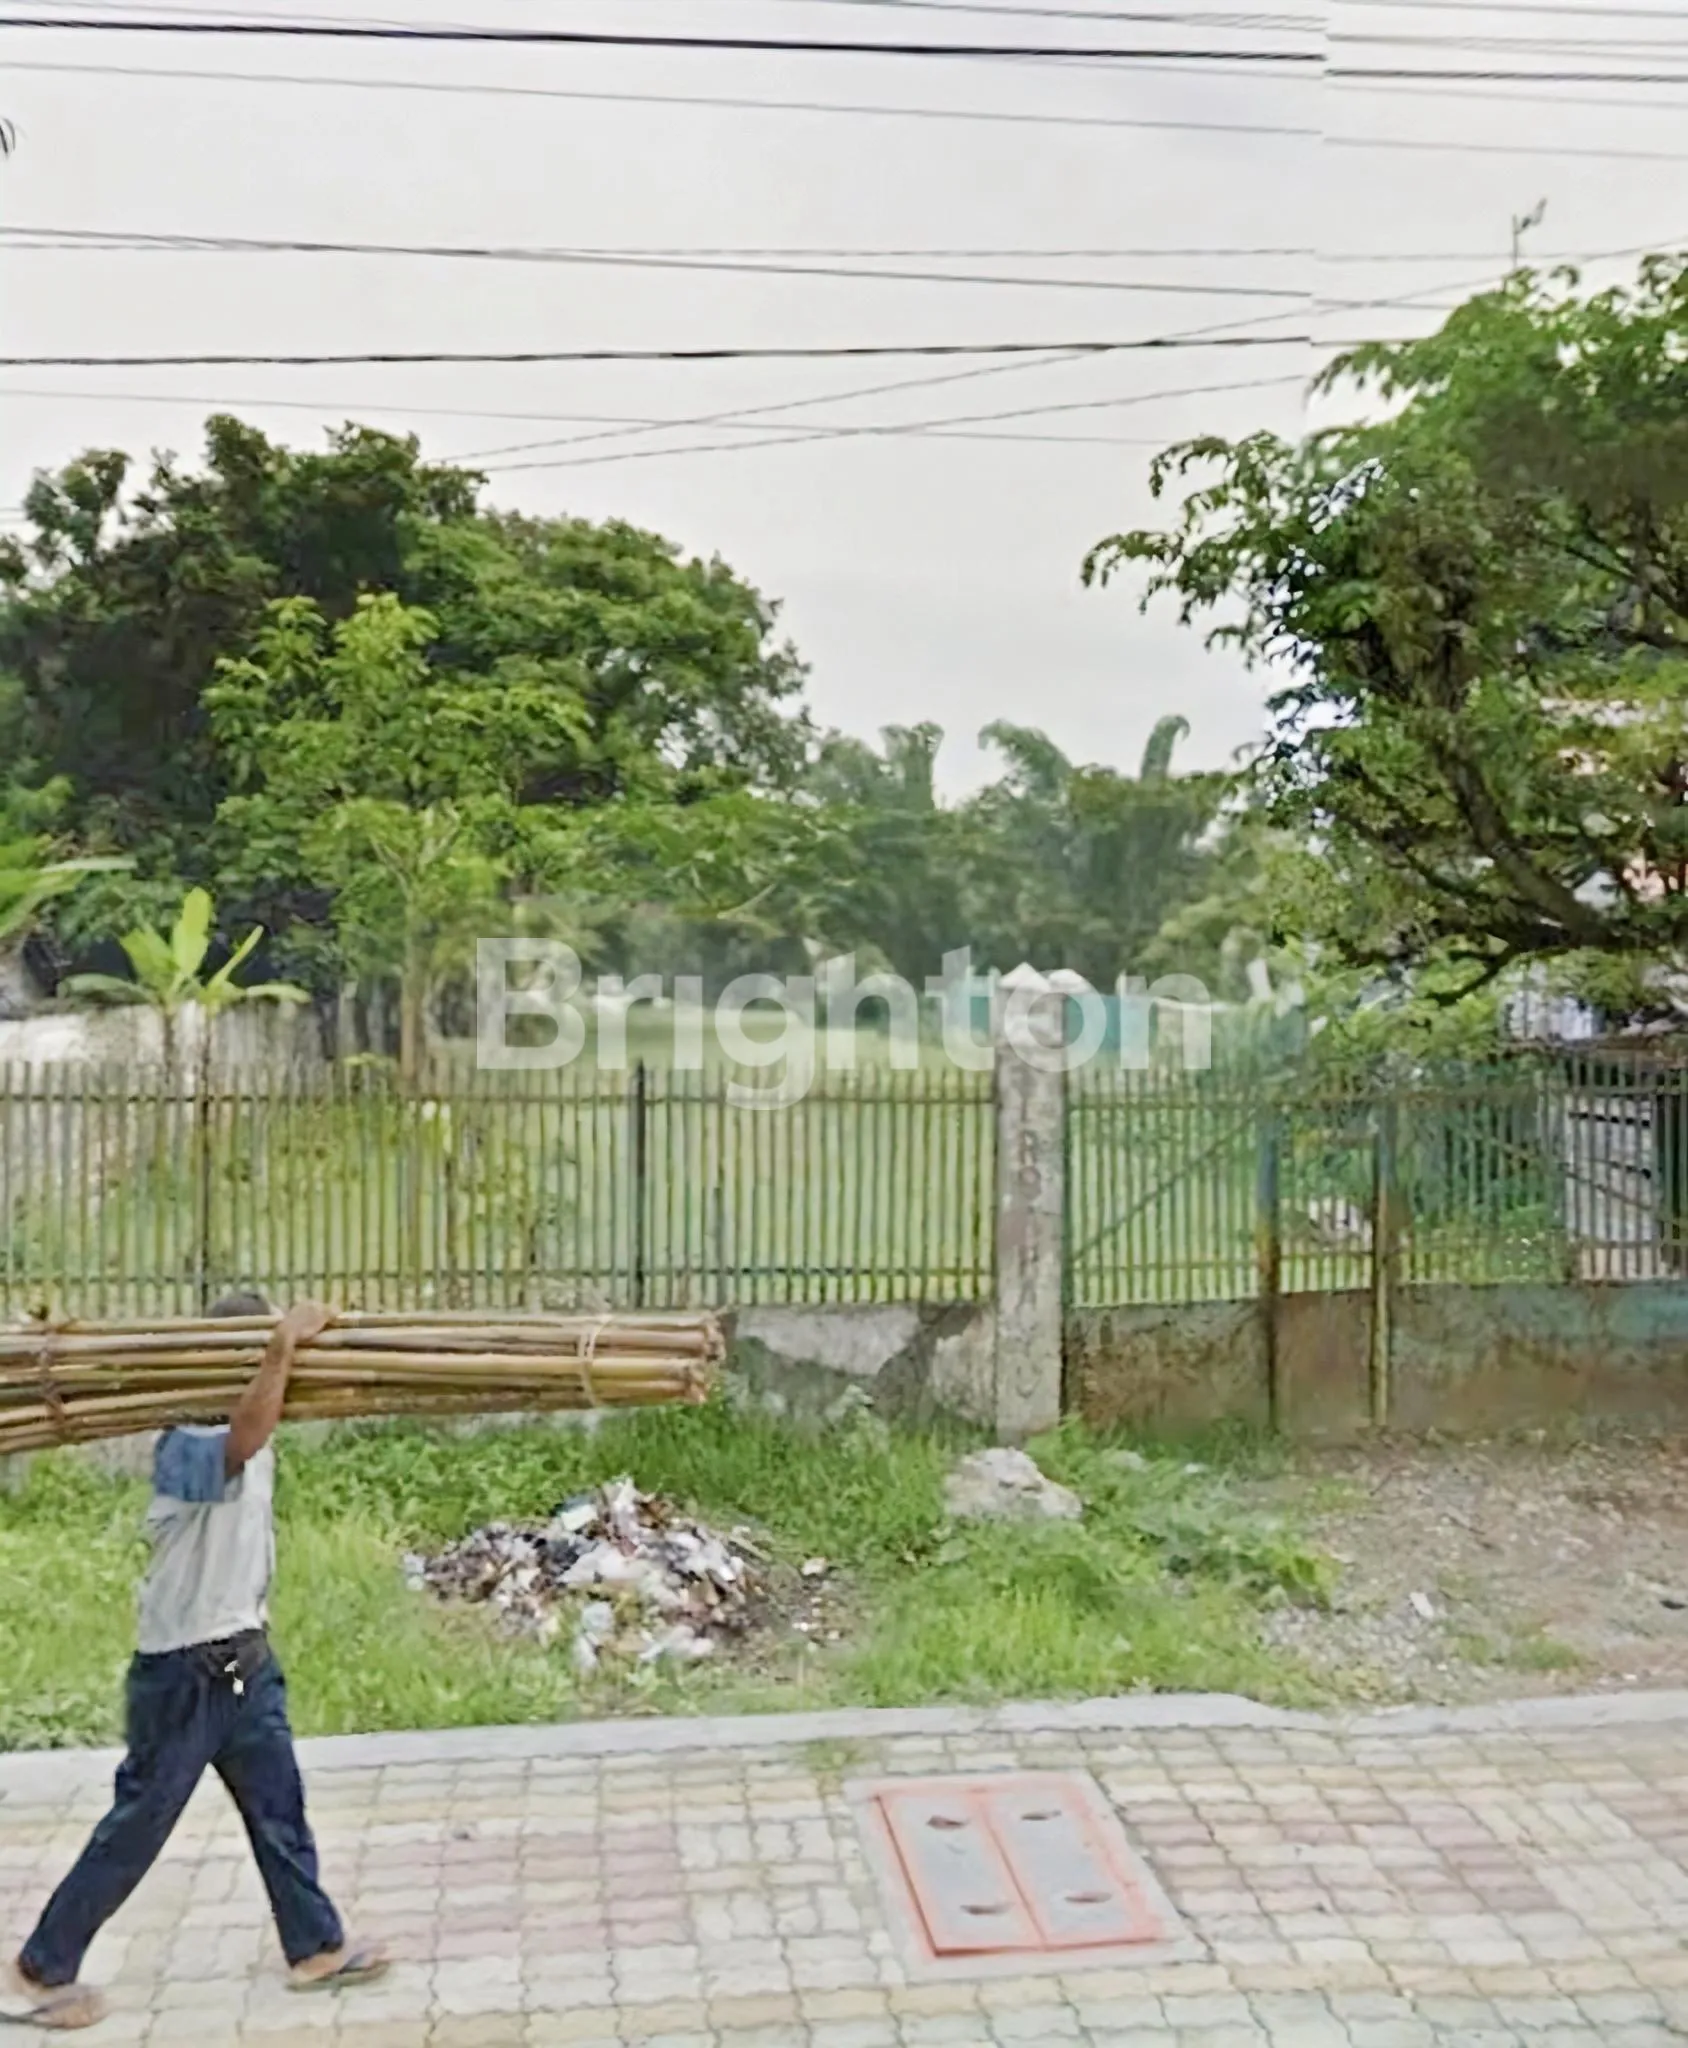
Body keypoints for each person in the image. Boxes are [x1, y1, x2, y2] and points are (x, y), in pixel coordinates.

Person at [3, 1292, 388, 2031]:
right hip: (184, 1675)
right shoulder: (183, 1444)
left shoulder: (255, 1425)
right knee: (139, 1824)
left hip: (242, 1663)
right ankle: (38, 1969)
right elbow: (239, 1442)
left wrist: (289, 1353)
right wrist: (281, 1346)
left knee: (278, 1805)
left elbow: (255, 1430)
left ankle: (315, 1946)